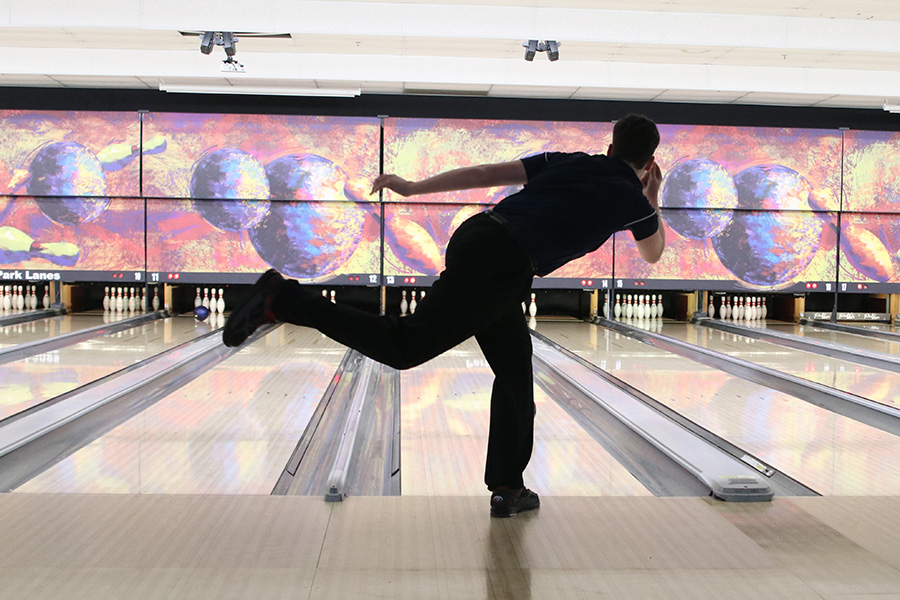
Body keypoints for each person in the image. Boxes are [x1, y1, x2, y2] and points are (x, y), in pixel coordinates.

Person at [223, 113, 665, 517]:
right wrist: (653, 196)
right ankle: (283, 300)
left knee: (514, 372)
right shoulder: (635, 200)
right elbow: (653, 253)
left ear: (609, 148)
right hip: (506, 263)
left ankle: (509, 484)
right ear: (648, 163)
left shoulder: (567, 160)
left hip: (480, 237)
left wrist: (411, 188)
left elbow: (483, 174)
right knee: (404, 347)